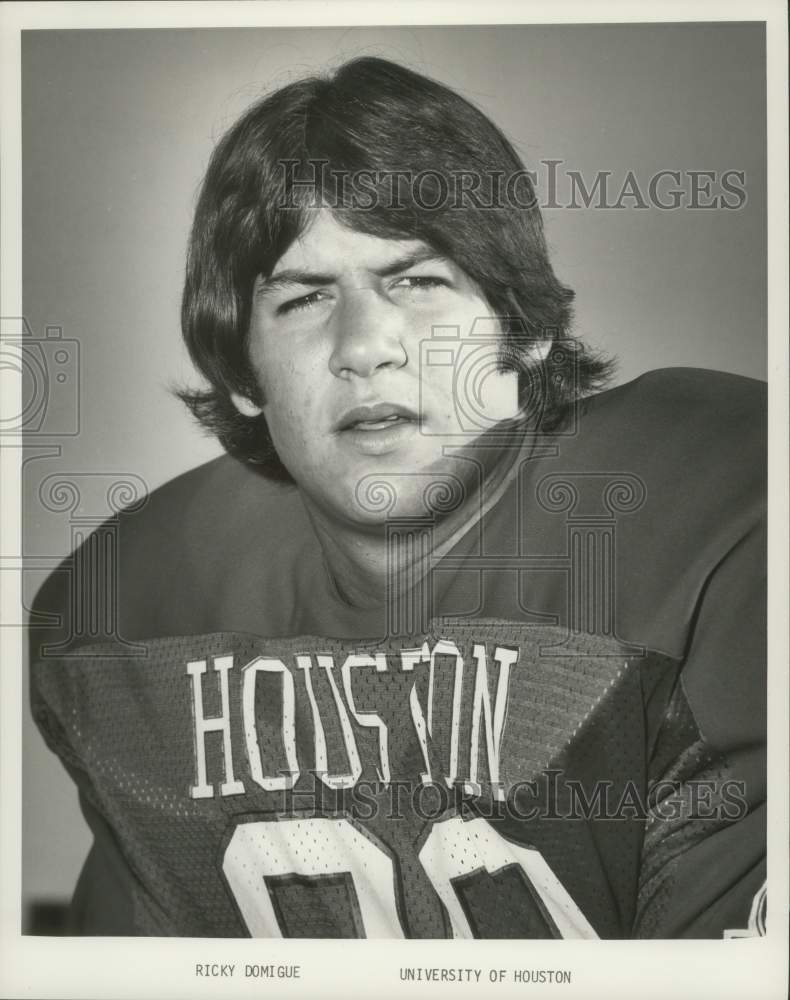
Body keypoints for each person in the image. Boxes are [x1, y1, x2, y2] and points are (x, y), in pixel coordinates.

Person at [29, 56, 766, 939]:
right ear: (244, 372)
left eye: (417, 281)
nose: (365, 346)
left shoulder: (718, 507)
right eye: (303, 298)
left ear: (525, 329)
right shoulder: (131, 607)